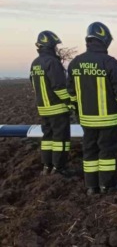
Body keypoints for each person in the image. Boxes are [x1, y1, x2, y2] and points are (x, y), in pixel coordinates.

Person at [67, 22, 117, 195]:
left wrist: (77, 111)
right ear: (105, 40)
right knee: (107, 154)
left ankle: (91, 187)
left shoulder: (75, 63)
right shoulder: (110, 62)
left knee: (89, 152)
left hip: (87, 120)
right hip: (109, 120)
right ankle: (108, 186)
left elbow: (71, 93)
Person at [30, 30, 73, 177]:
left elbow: (33, 84)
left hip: (43, 108)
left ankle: (47, 166)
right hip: (58, 108)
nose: (56, 49)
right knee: (60, 140)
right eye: (55, 45)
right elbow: (59, 87)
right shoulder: (53, 62)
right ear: (49, 46)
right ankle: (59, 168)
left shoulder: (35, 63)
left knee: (47, 138)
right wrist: (70, 102)